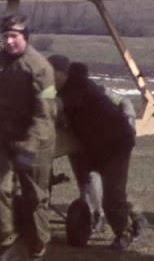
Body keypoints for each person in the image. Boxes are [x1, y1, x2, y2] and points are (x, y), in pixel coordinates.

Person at [0, 14, 56, 261]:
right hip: (2, 132)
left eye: (14, 36)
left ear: (25, 37)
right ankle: (6, 241)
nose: (9, 41)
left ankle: (37, 248)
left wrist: (29, 147)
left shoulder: (41, 67)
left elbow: (45, 115)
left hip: (34, 136)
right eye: (5, 36)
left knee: (34, 197)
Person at [50, 53, 144, 251]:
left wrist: (130, 123)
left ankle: (123, 234)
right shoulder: (64, 90)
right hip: (91, 146)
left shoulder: (81, 88)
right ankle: (133, 217)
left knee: (112, 195)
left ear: (60, 74)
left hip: (115, 144)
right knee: (94, 189)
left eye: (50, 75)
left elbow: (58, 105)